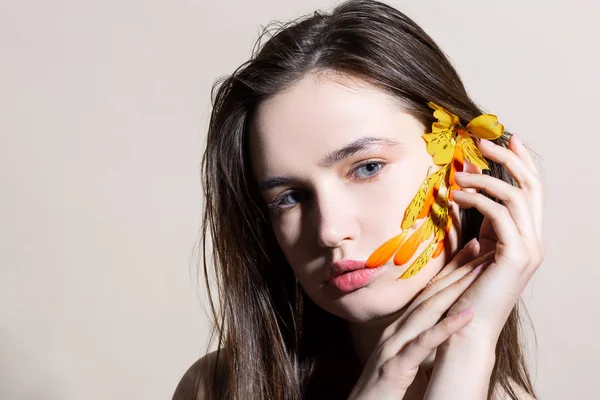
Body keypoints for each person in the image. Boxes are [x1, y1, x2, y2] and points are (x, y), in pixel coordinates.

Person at [173, 0, 545, 399]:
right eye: (290, 197)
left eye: (367, 168)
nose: (331, 232)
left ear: (465, 164)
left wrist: (466, 344)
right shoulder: (218, 387)